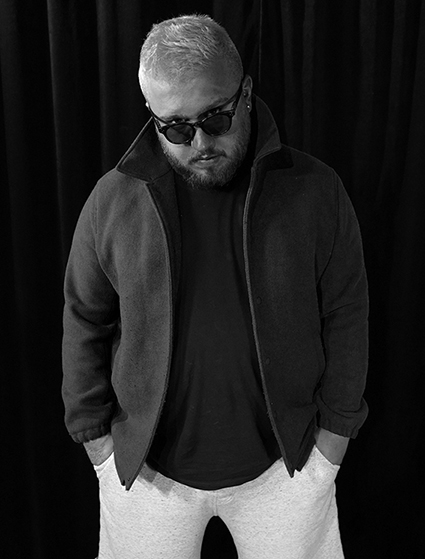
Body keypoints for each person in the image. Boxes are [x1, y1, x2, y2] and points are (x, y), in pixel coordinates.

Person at [62, 14, 369, 559]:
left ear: (245, 93)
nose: (200, 141)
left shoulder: (316, 191)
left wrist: (331, 446)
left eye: (216, 118)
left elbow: (346, 312)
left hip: (289, 470)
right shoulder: (113, 200)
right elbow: (85, 316)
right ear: (152, 115)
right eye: (177, 129)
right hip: (145, 477)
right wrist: (100, 448)